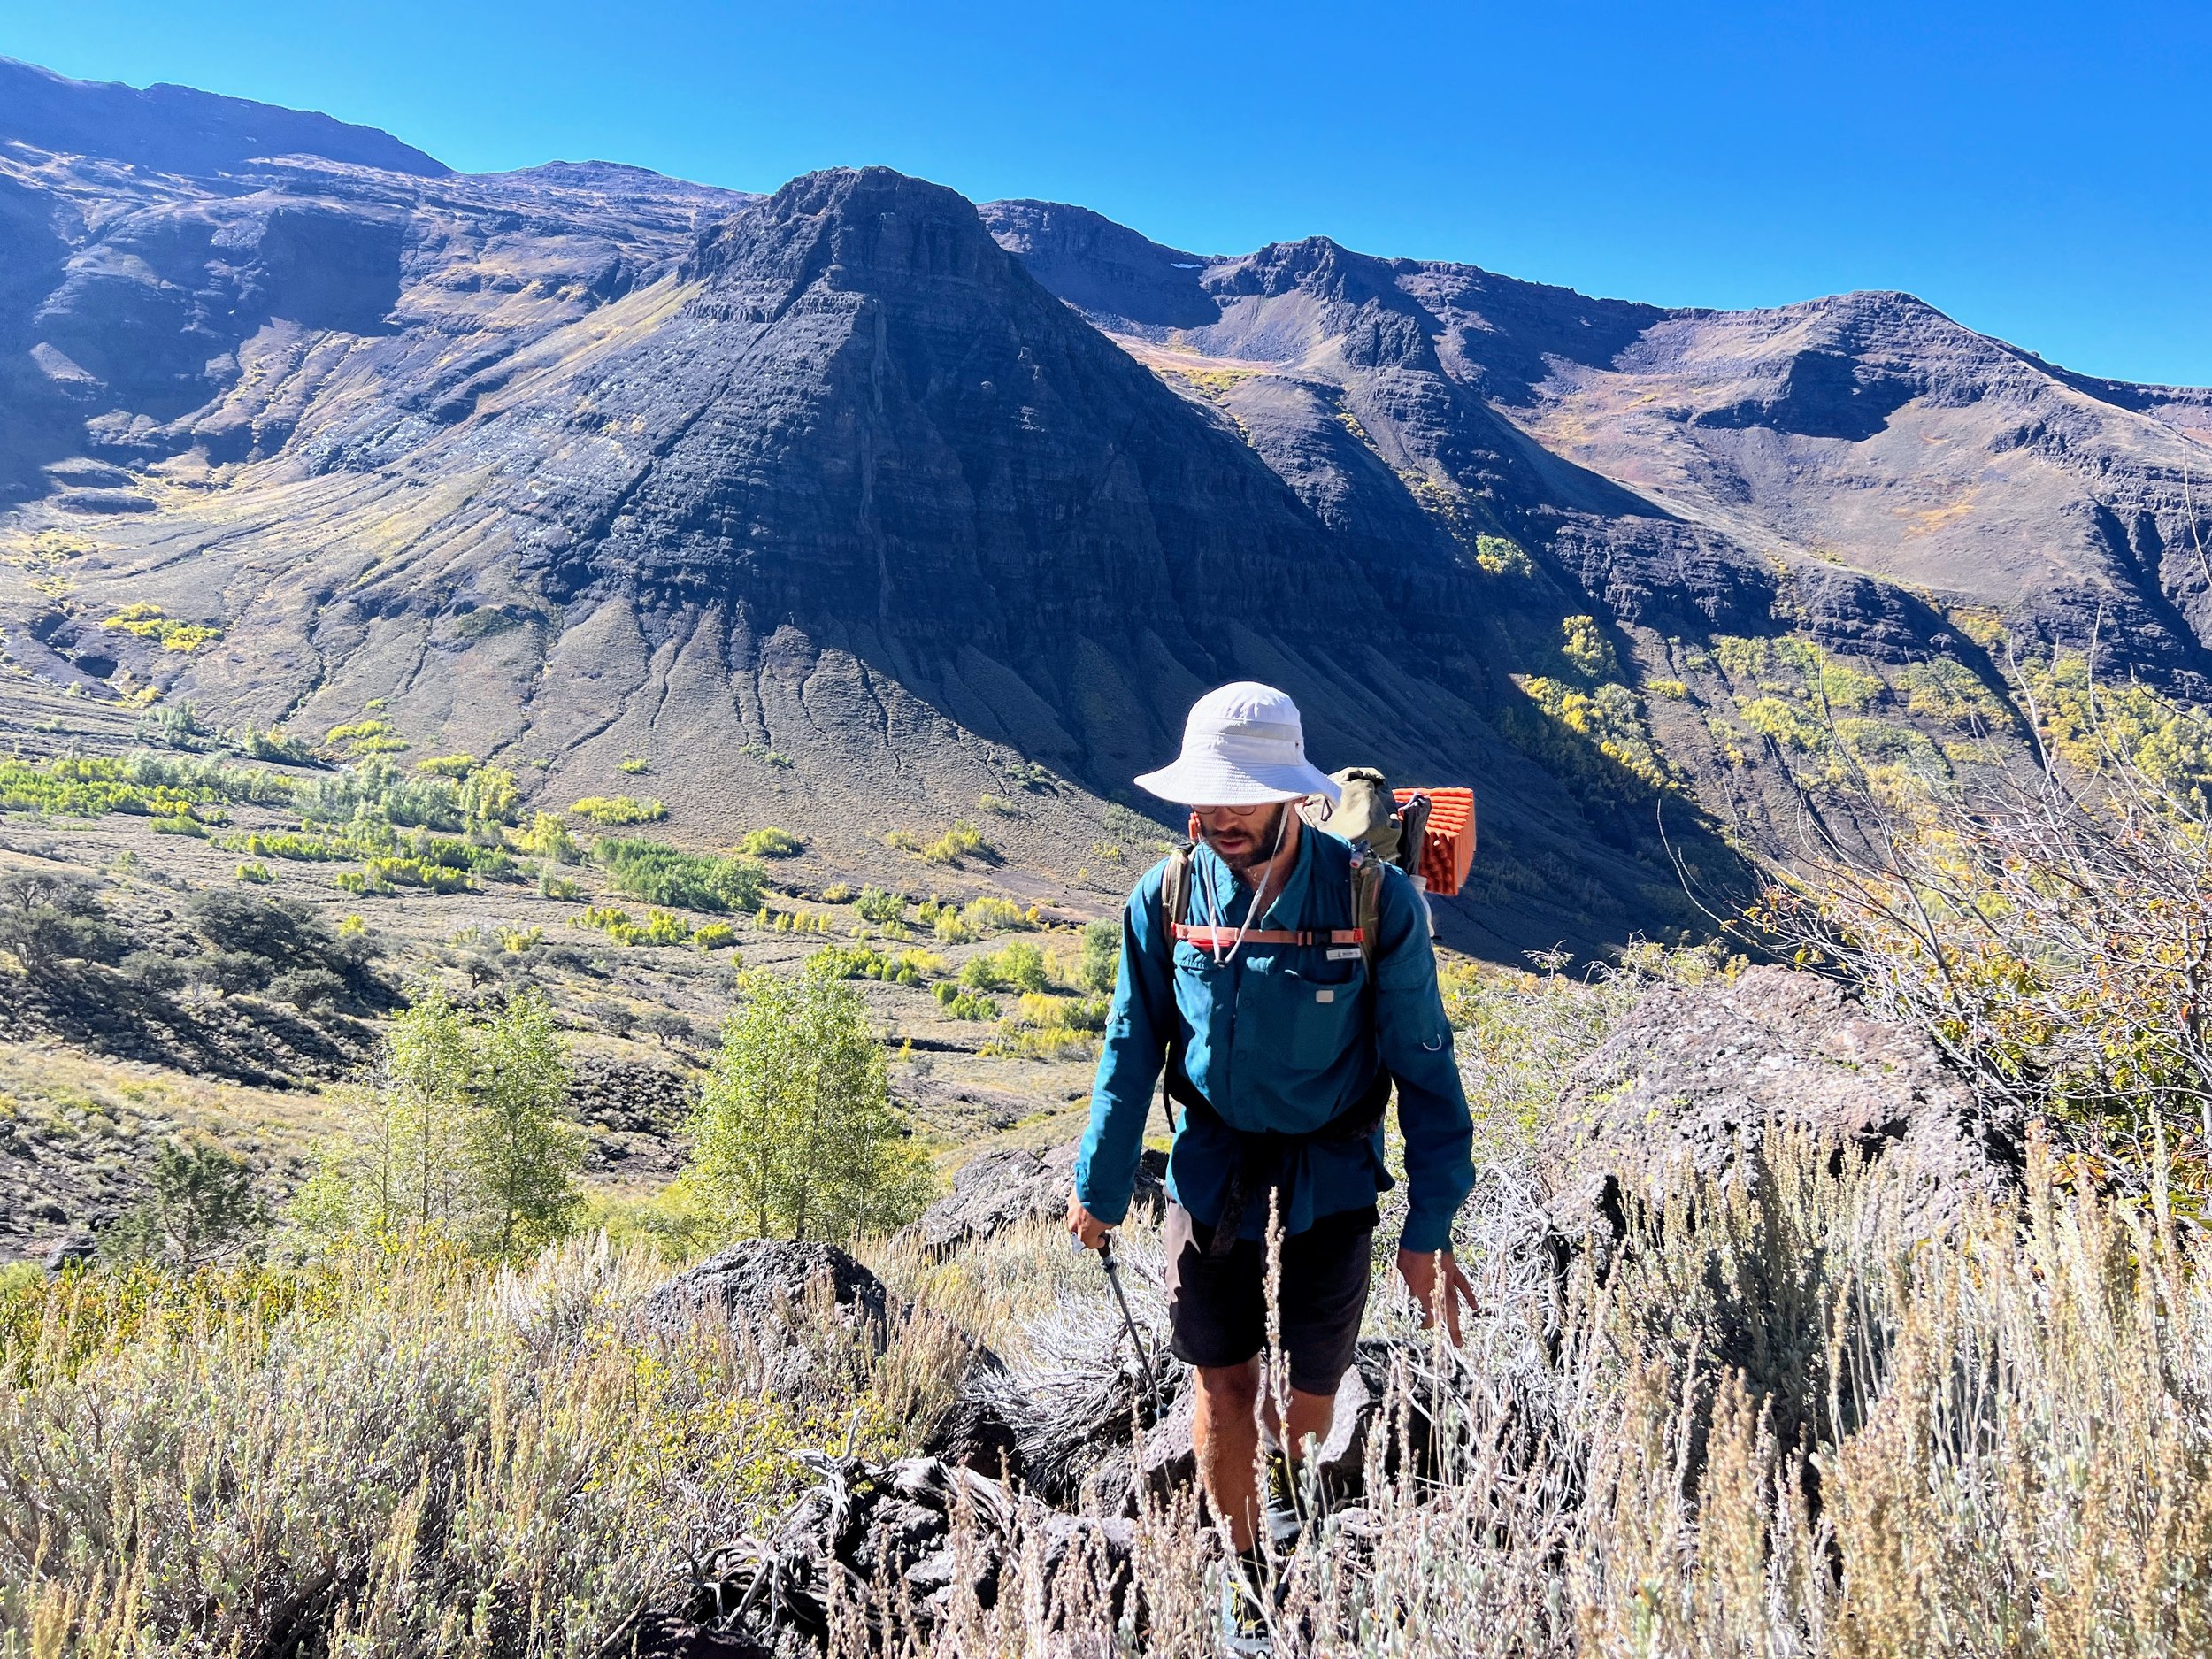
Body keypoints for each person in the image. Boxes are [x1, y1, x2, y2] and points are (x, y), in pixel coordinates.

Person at [1067, 680, 1477, 1570]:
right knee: (1221, 1379)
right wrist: (1097, 1186)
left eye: (1241, 796)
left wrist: (1429, 1227)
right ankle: (1248, 1570)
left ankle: (1288, 1509)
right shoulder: (1168, 892)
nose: (1217, 815)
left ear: (1293, 793)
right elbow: (1131, 1040)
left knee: (1308, 1389)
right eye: (1203, 795)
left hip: (1331, 1162)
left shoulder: (1373, 901)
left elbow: (1427, 1072)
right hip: (1213, 1158)